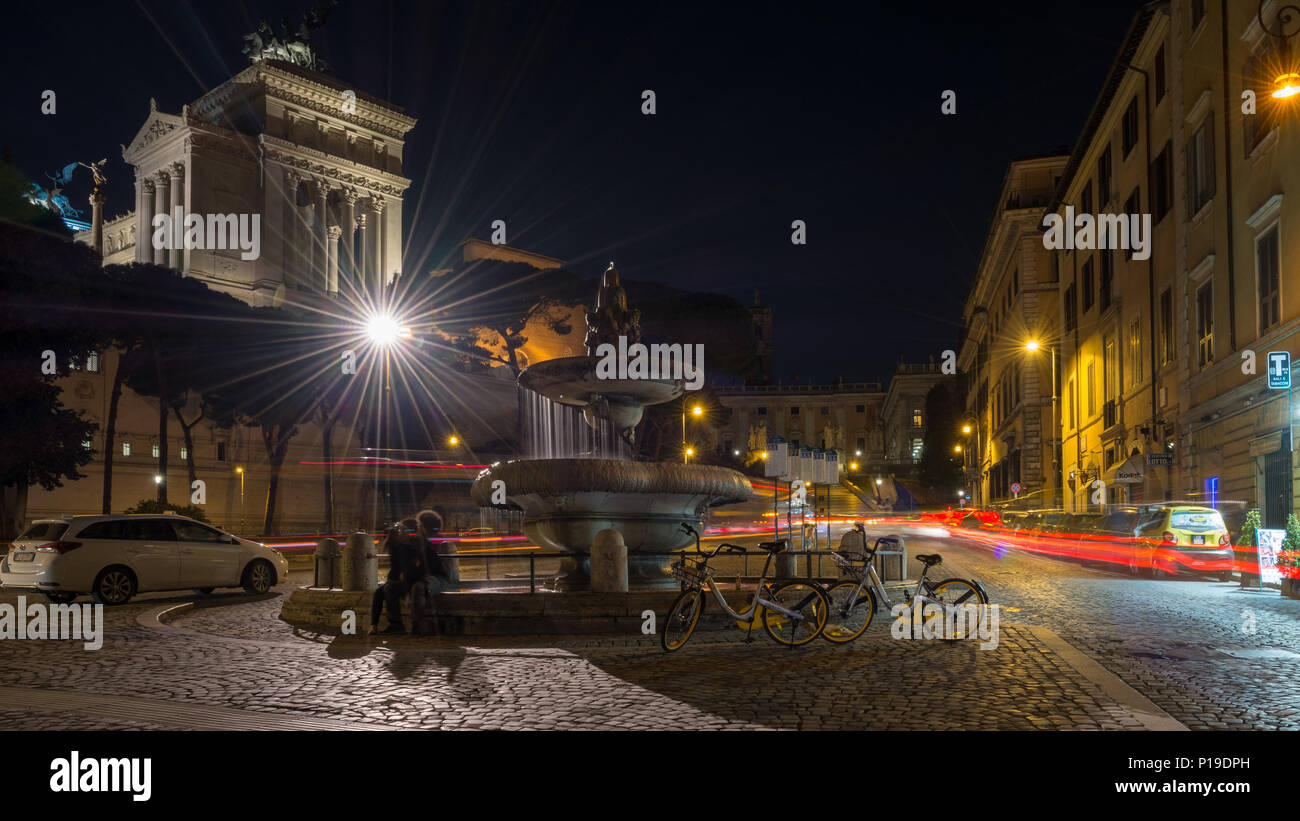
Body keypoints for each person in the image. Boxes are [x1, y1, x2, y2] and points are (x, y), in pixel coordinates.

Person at [370, 518, 419, 635]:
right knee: (378, 592)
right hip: (396, 581)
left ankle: (396, 624)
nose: (399, 532)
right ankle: (373, 625)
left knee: (389, 589)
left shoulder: (411, 546)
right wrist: (391, 536)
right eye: (398, 530)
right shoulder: (396, 546)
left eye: (402, 530)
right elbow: (383, 550)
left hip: (409, 581)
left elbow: (411, 568)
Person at [409, 509, 450, 636]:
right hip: (429, 576)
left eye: (419, 525)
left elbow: (430, 567)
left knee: (418, 587)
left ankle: (418, 625)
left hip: (437, 578)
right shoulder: (419, 542)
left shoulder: (432, 543)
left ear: (423, 527)